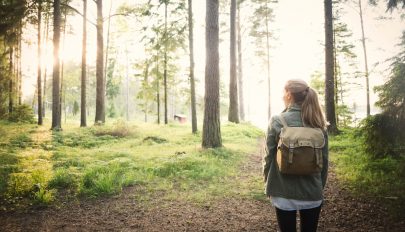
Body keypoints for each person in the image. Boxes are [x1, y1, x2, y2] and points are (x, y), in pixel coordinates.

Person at [263, 79, 329, 232]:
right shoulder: (318, 122)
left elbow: (268, 156)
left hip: (283, 191)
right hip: (312, 192)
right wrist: (319, 187)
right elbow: (324, 161)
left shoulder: (277, 121)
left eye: (282, 92)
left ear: (288, 94)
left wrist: (268, 184)